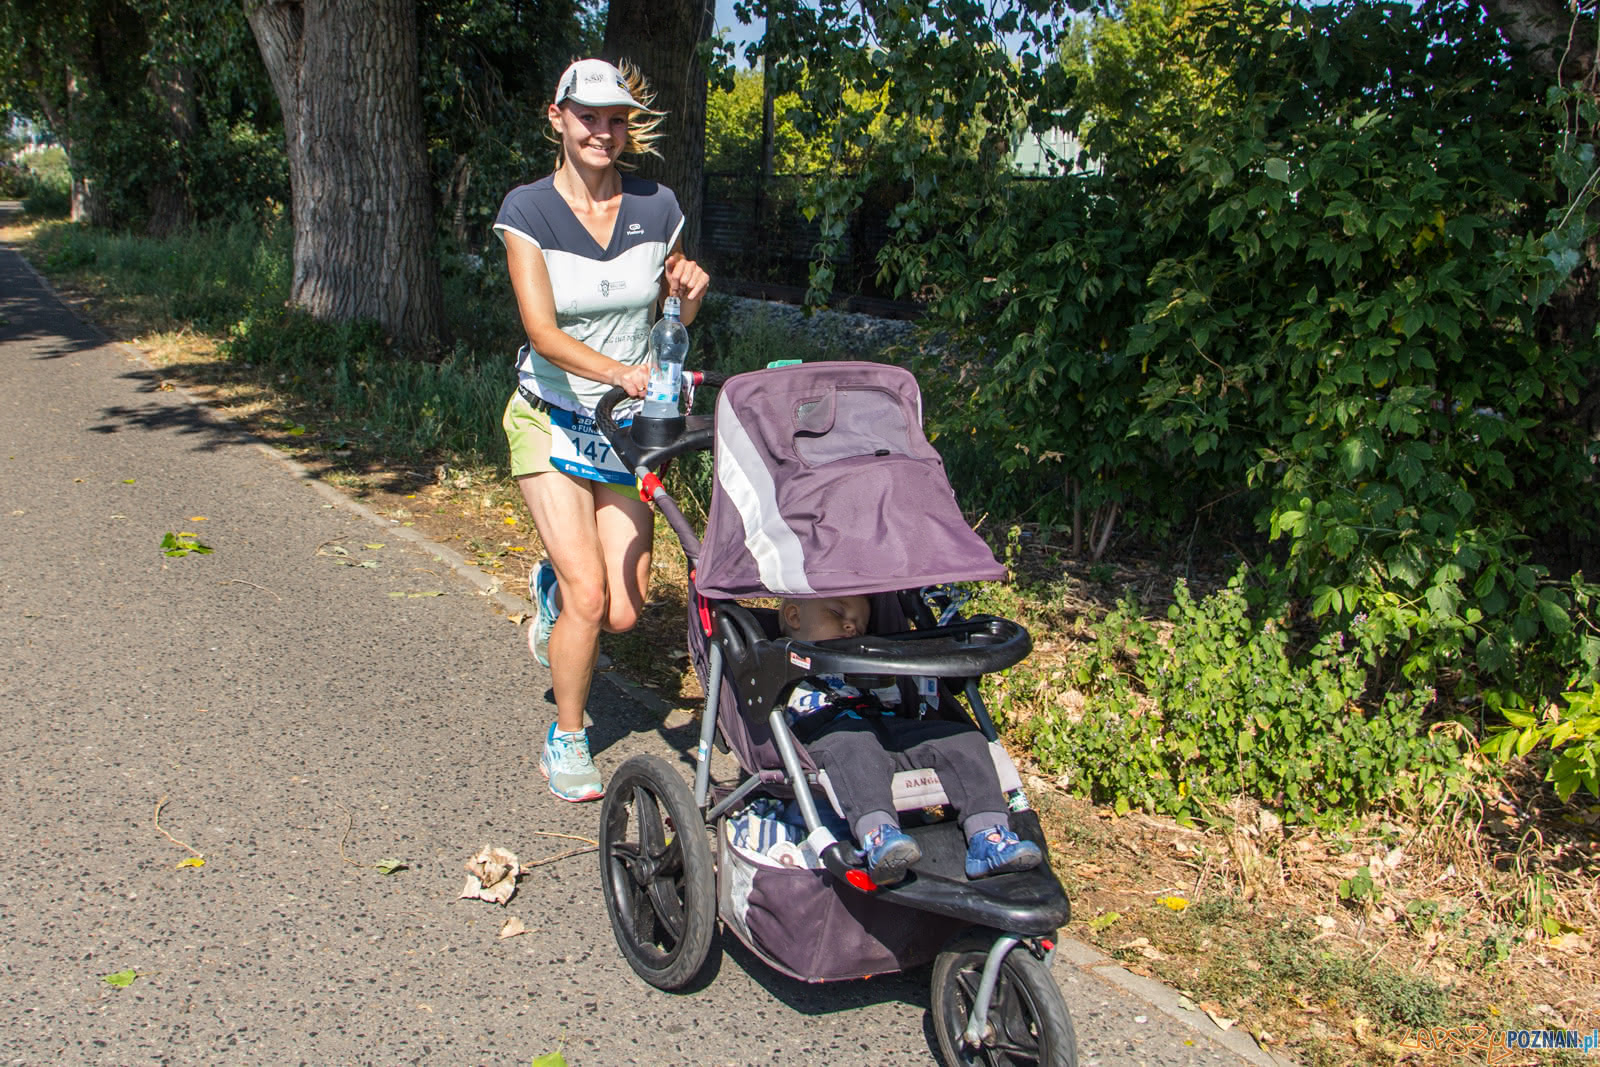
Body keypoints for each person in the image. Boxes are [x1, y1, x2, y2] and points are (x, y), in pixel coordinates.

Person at [494, 58, 709, 802]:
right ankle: (569, 735)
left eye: (616, 119)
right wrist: (618, 371)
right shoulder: (527, 211)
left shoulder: (658, 205)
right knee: (591, 593)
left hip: (623, 427)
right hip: (551, 416)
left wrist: (688, 291)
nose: (604, 132)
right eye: (588, 117)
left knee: (622, 608)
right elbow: (542, 332)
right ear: (558, 118)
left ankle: (551, 587)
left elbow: (671, 316)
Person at [779, 595, 1043, 885]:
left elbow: (900, 700)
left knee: (964, 738)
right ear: (794, 616)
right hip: (830, 739)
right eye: (836, 612)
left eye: (860, 625)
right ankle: (878, 835)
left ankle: (989, 835)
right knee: (856, 746)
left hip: (888, 729)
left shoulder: (866, 660)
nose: (851, 626)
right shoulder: (780, 666)